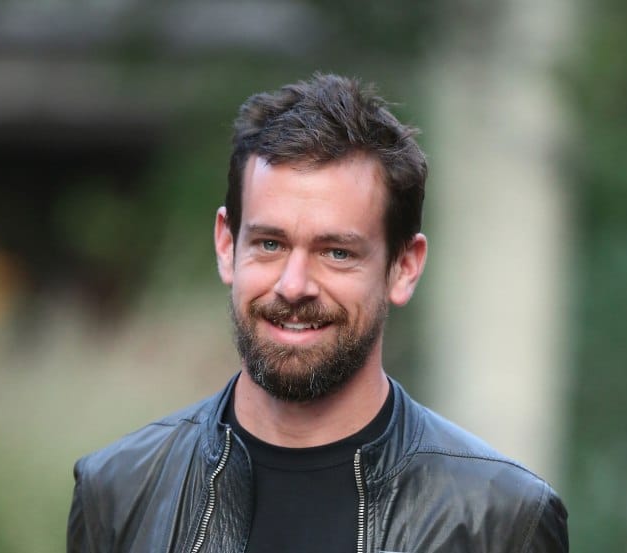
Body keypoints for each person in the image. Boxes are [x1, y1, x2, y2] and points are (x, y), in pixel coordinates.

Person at [67, 73, 569, 553]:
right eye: (269, 243)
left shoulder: (500, 519)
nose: (293, 286)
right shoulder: (119, 491)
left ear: (404, 267)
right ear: (226, 245)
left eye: (336, 253)